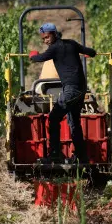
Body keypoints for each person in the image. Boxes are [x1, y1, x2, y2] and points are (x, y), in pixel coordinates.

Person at [29, 22, 96, 165]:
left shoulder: (54, 49)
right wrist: (88, 53)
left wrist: (32, 55)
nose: (45, 41)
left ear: (53, 34)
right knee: (73, 122)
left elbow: (39, 58)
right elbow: (91, 51)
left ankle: (55, 155)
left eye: (46, 37)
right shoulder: (72, 43)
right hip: (81, 89)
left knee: (53, 118)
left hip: (71, 90)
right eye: (43, 39)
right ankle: (81, 157)